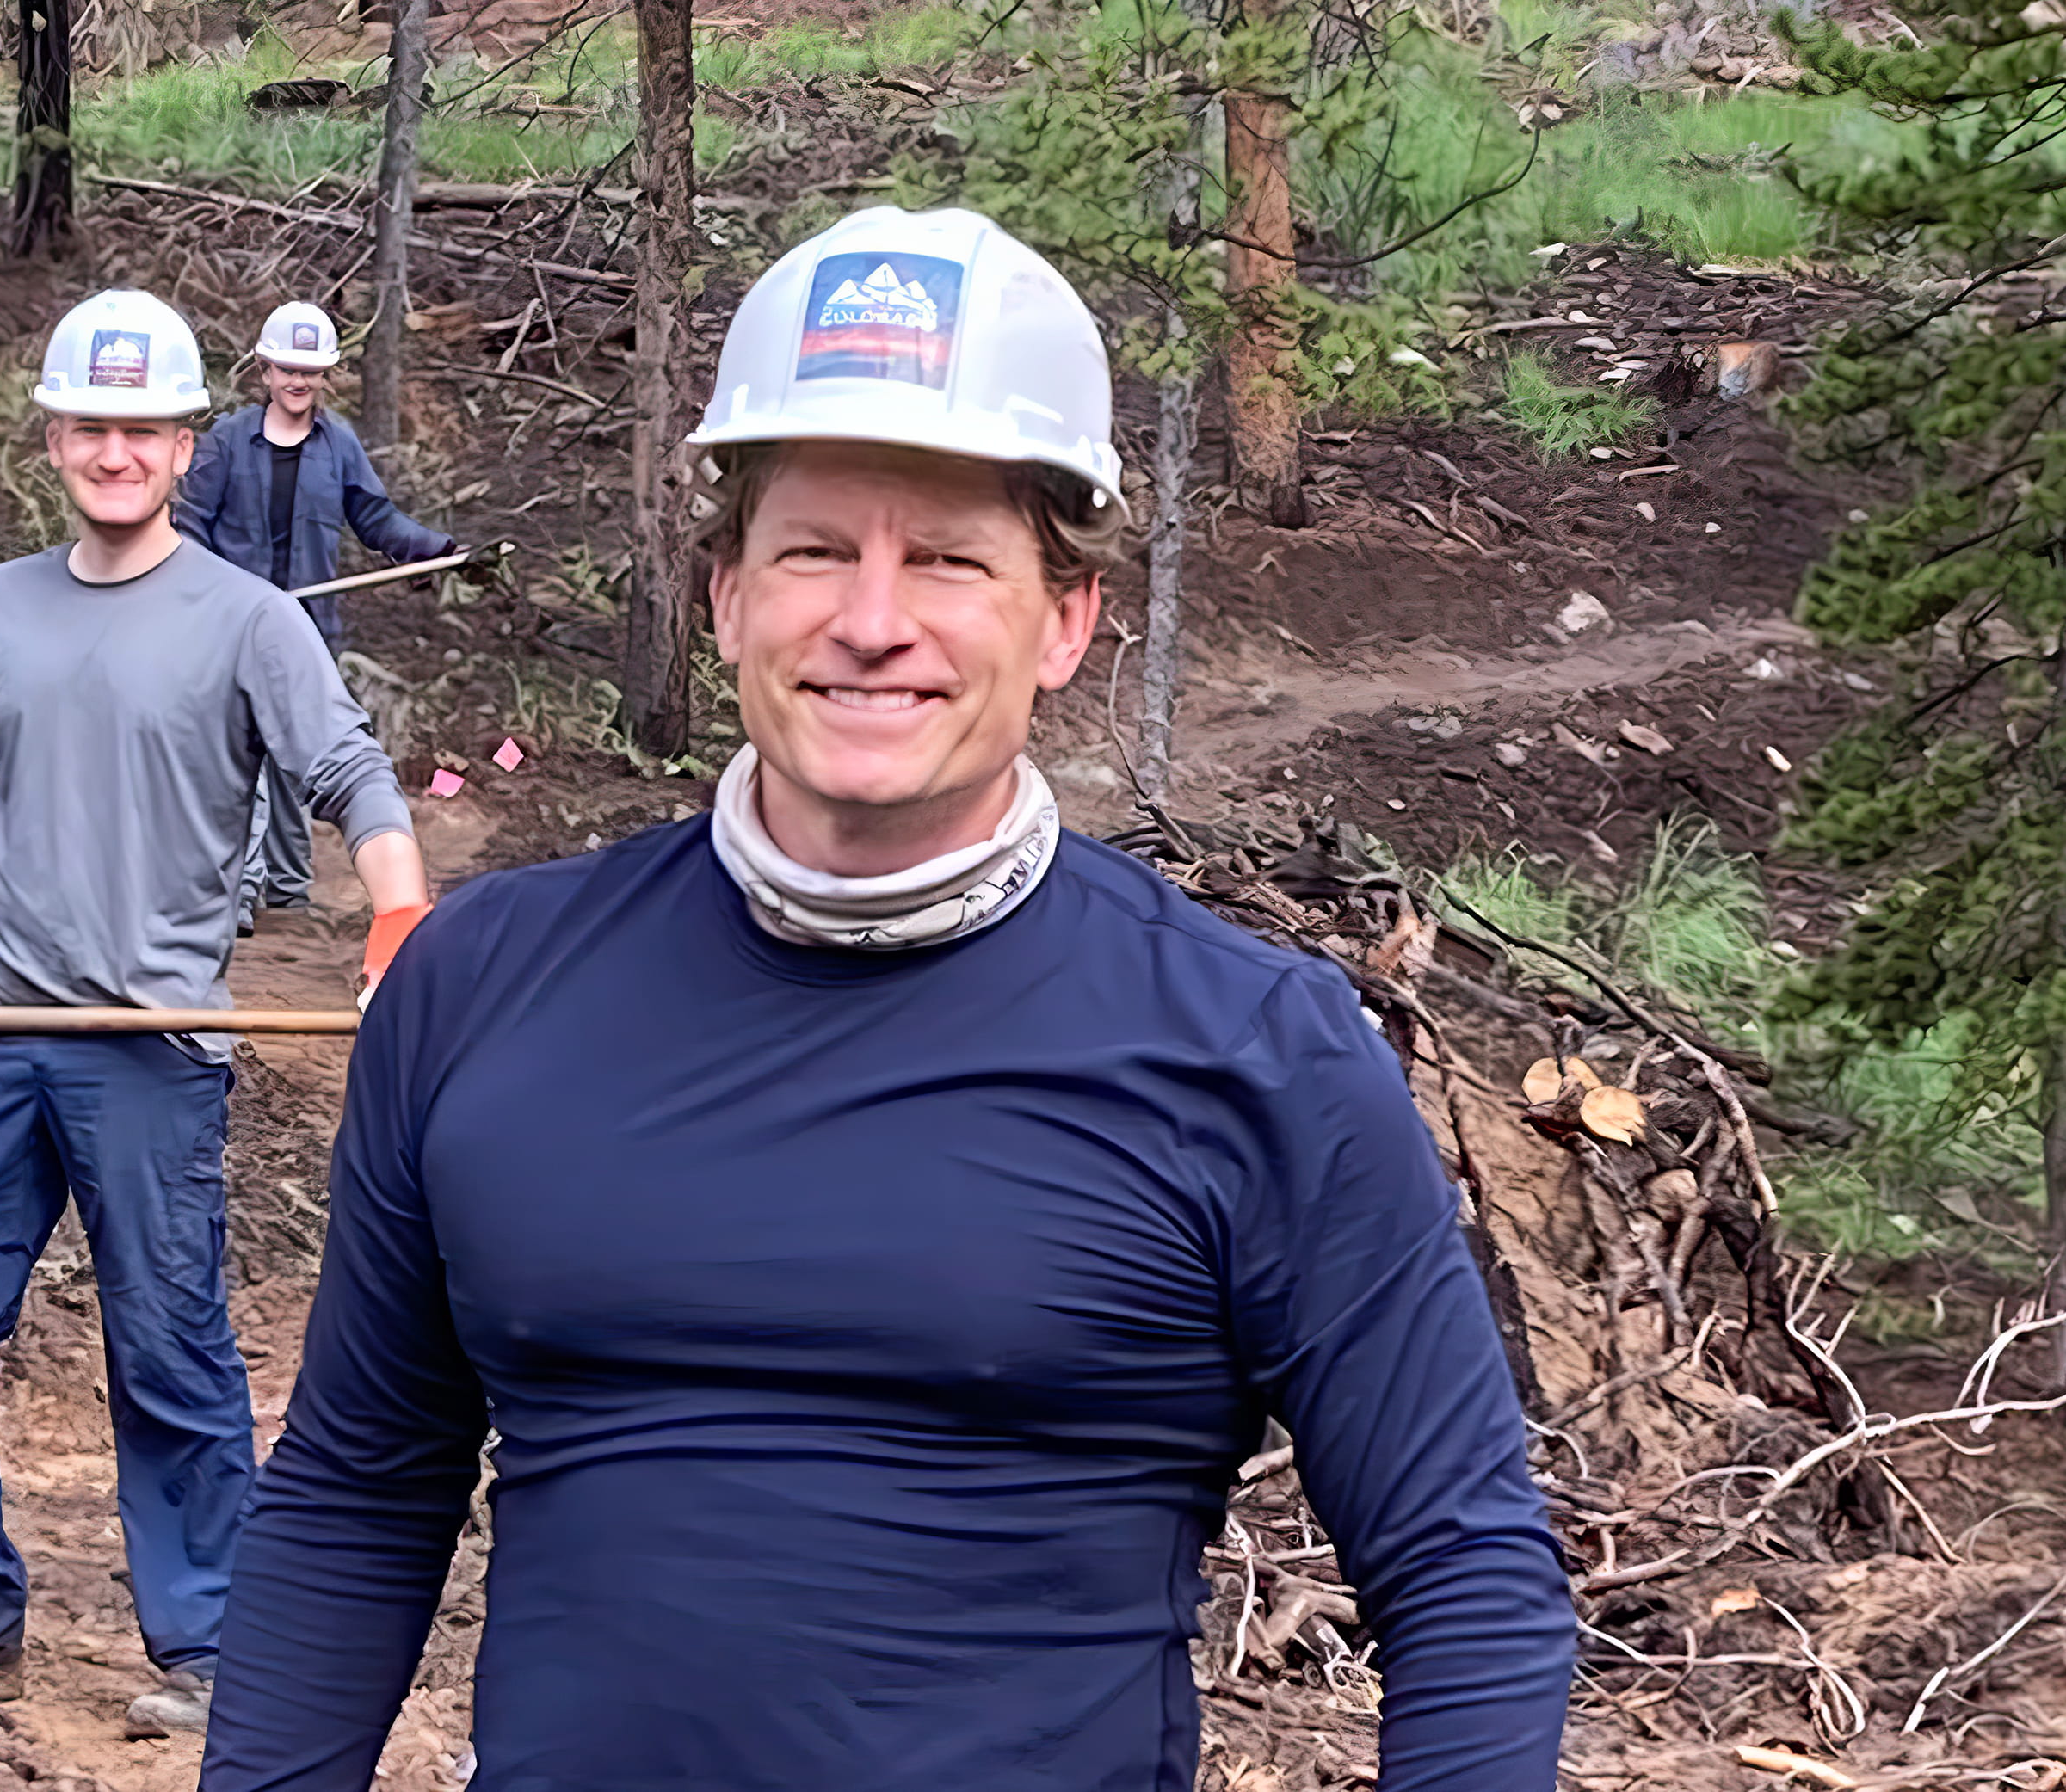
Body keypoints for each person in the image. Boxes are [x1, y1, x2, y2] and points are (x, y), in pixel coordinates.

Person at [201, 208, 1576, 1789]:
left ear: (1065, 619)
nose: (872, 618)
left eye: (947, 558)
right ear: (723, 593)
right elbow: (358, 1495)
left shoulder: (1257, 1052)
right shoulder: (482, 989)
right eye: (814, 548)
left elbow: (1466, 1579)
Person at [0, 290, 434, 1740]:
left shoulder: (250, 622)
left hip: (152, 1046)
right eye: (92, 427)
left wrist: (399, 919)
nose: (117, 452)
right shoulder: (2, 606)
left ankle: (213, 1640)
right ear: (57, 437)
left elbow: (355, 779)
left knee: (166, 1347)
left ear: (187, 444)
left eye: (145, 429)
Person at [173, 301, 459, 918]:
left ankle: (287, 886)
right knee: (235, 752)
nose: (297, 381)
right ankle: (241, 890)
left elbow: (374, 517)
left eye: (311, 371)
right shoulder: (226, 441)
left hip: (307, 629)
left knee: (295, 754)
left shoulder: (339, 445)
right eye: (286, 369)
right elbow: (188, 526)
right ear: (265, 369)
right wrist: (198, 594)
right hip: (232, 626)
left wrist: (436, 548)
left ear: (325, 375)